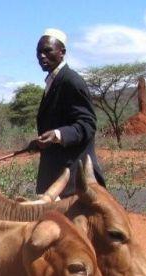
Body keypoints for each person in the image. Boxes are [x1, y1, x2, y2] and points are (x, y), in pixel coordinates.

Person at [34, 28, 105, 196]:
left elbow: (87, 124)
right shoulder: (54, 81)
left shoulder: (71, 81)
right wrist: (39, 142)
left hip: (74, 180)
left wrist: (58, 135)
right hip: (56, 176)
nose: (41, 56)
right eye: (38, 52)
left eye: (47, 50)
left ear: (62, 52)